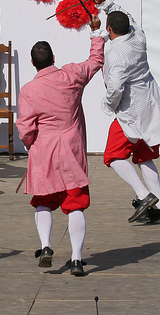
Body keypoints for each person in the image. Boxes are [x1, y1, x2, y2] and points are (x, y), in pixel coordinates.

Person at [15, 16, 103, 277]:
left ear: (32, 62)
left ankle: (45, 247)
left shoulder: (29, 90)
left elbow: (25, 128)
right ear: (53, 57)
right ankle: (76, 259)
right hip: (72, 149)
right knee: (75, 203)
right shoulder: (72, 75)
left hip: (45, 151)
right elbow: (96, 60)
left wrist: (31, 145)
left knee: (43, 201)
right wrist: (95, 32)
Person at [93, 0, 160, 224]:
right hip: (151, 107)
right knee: (144, 158)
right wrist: (104, 2)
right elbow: (128, 19)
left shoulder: (118, 55)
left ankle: (144, 196)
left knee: (113, 156)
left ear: (110, 29)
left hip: (131, 113)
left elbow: (114, 88)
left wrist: (107, 106)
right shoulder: (138, 35)